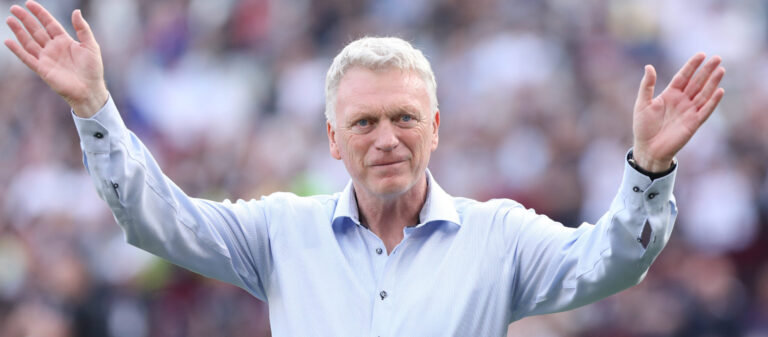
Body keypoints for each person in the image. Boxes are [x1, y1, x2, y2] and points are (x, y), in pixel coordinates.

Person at [4, 1, 725, 336]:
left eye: (404, 117)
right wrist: (96, 106)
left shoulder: (497, 236)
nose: (386, 138)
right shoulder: (280, 231)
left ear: (435, 129)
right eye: (365, 122)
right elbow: (155, 217)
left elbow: (610, 262)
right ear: (333, 141)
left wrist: (650, 165)